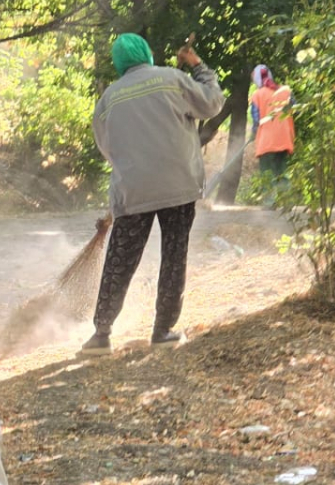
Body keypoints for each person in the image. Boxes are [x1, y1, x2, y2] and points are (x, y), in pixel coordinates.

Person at [81, 34, 224, 356]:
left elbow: (107, 148)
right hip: (179, 185)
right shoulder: (173, 79)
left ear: (118, 62)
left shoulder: (108, 99)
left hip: (133, 190)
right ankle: (163, 331)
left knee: (121, 258)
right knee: (174, 255)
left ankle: (100, 335)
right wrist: (198, 66)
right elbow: (212, 103)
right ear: (147, 52)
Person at [250, 64, 294, 180]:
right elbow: (295, 109)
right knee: (282, 175)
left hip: (266, 143)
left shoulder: (257, 95)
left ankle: (269, 199)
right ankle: (285, 198)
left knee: (267, 180)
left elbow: (256, 120)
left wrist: (253, 133)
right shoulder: (286, 91)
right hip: (284, 140)